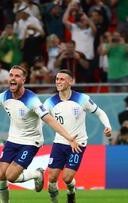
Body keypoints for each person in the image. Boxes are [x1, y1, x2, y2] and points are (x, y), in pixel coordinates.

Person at [0, 65, 80, 203]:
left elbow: (48, 119)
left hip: (31, 142)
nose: (13, 78)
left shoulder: (32, 100)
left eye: (17, 76)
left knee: (11, 176)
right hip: (13, 139)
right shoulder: (4, 96)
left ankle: (37, 174)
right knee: (1, 175)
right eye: (11, 75)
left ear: (23, 80)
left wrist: (69, 137)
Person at [44, 69, 112, 203]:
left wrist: (107, 126)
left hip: (78, 144)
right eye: (57, 79)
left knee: (67, 178)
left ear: (70, 81)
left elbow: (100, 112)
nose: (58, 82)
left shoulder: (82, 98)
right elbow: (41, 121)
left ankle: (71, 190)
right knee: (52, 178)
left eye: (62, 79)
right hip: (59, 143)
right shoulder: (50, 102)